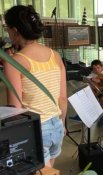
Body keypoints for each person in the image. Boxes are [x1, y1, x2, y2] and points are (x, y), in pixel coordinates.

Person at [3, 5, 67, 167]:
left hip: (36, 129)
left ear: (15, 30)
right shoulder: (56, 56)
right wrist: (62, 124)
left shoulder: (15, 62)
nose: (7, 33)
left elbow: (15, 109)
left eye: (7, 28)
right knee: (50, 170)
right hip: (57, 125)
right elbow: (63, 98)